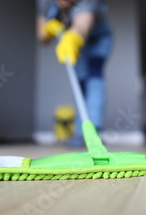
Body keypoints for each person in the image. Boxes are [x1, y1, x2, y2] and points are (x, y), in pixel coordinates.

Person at [37, 0, 112, 146]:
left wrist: (72, 37)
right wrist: (48, 29)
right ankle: (81, 132)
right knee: (81, 82)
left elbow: (81, 26)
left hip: (97, 39)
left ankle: (94, 132)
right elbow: (41, 37)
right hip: (73, 40)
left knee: (94, 77)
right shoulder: (44, 2)